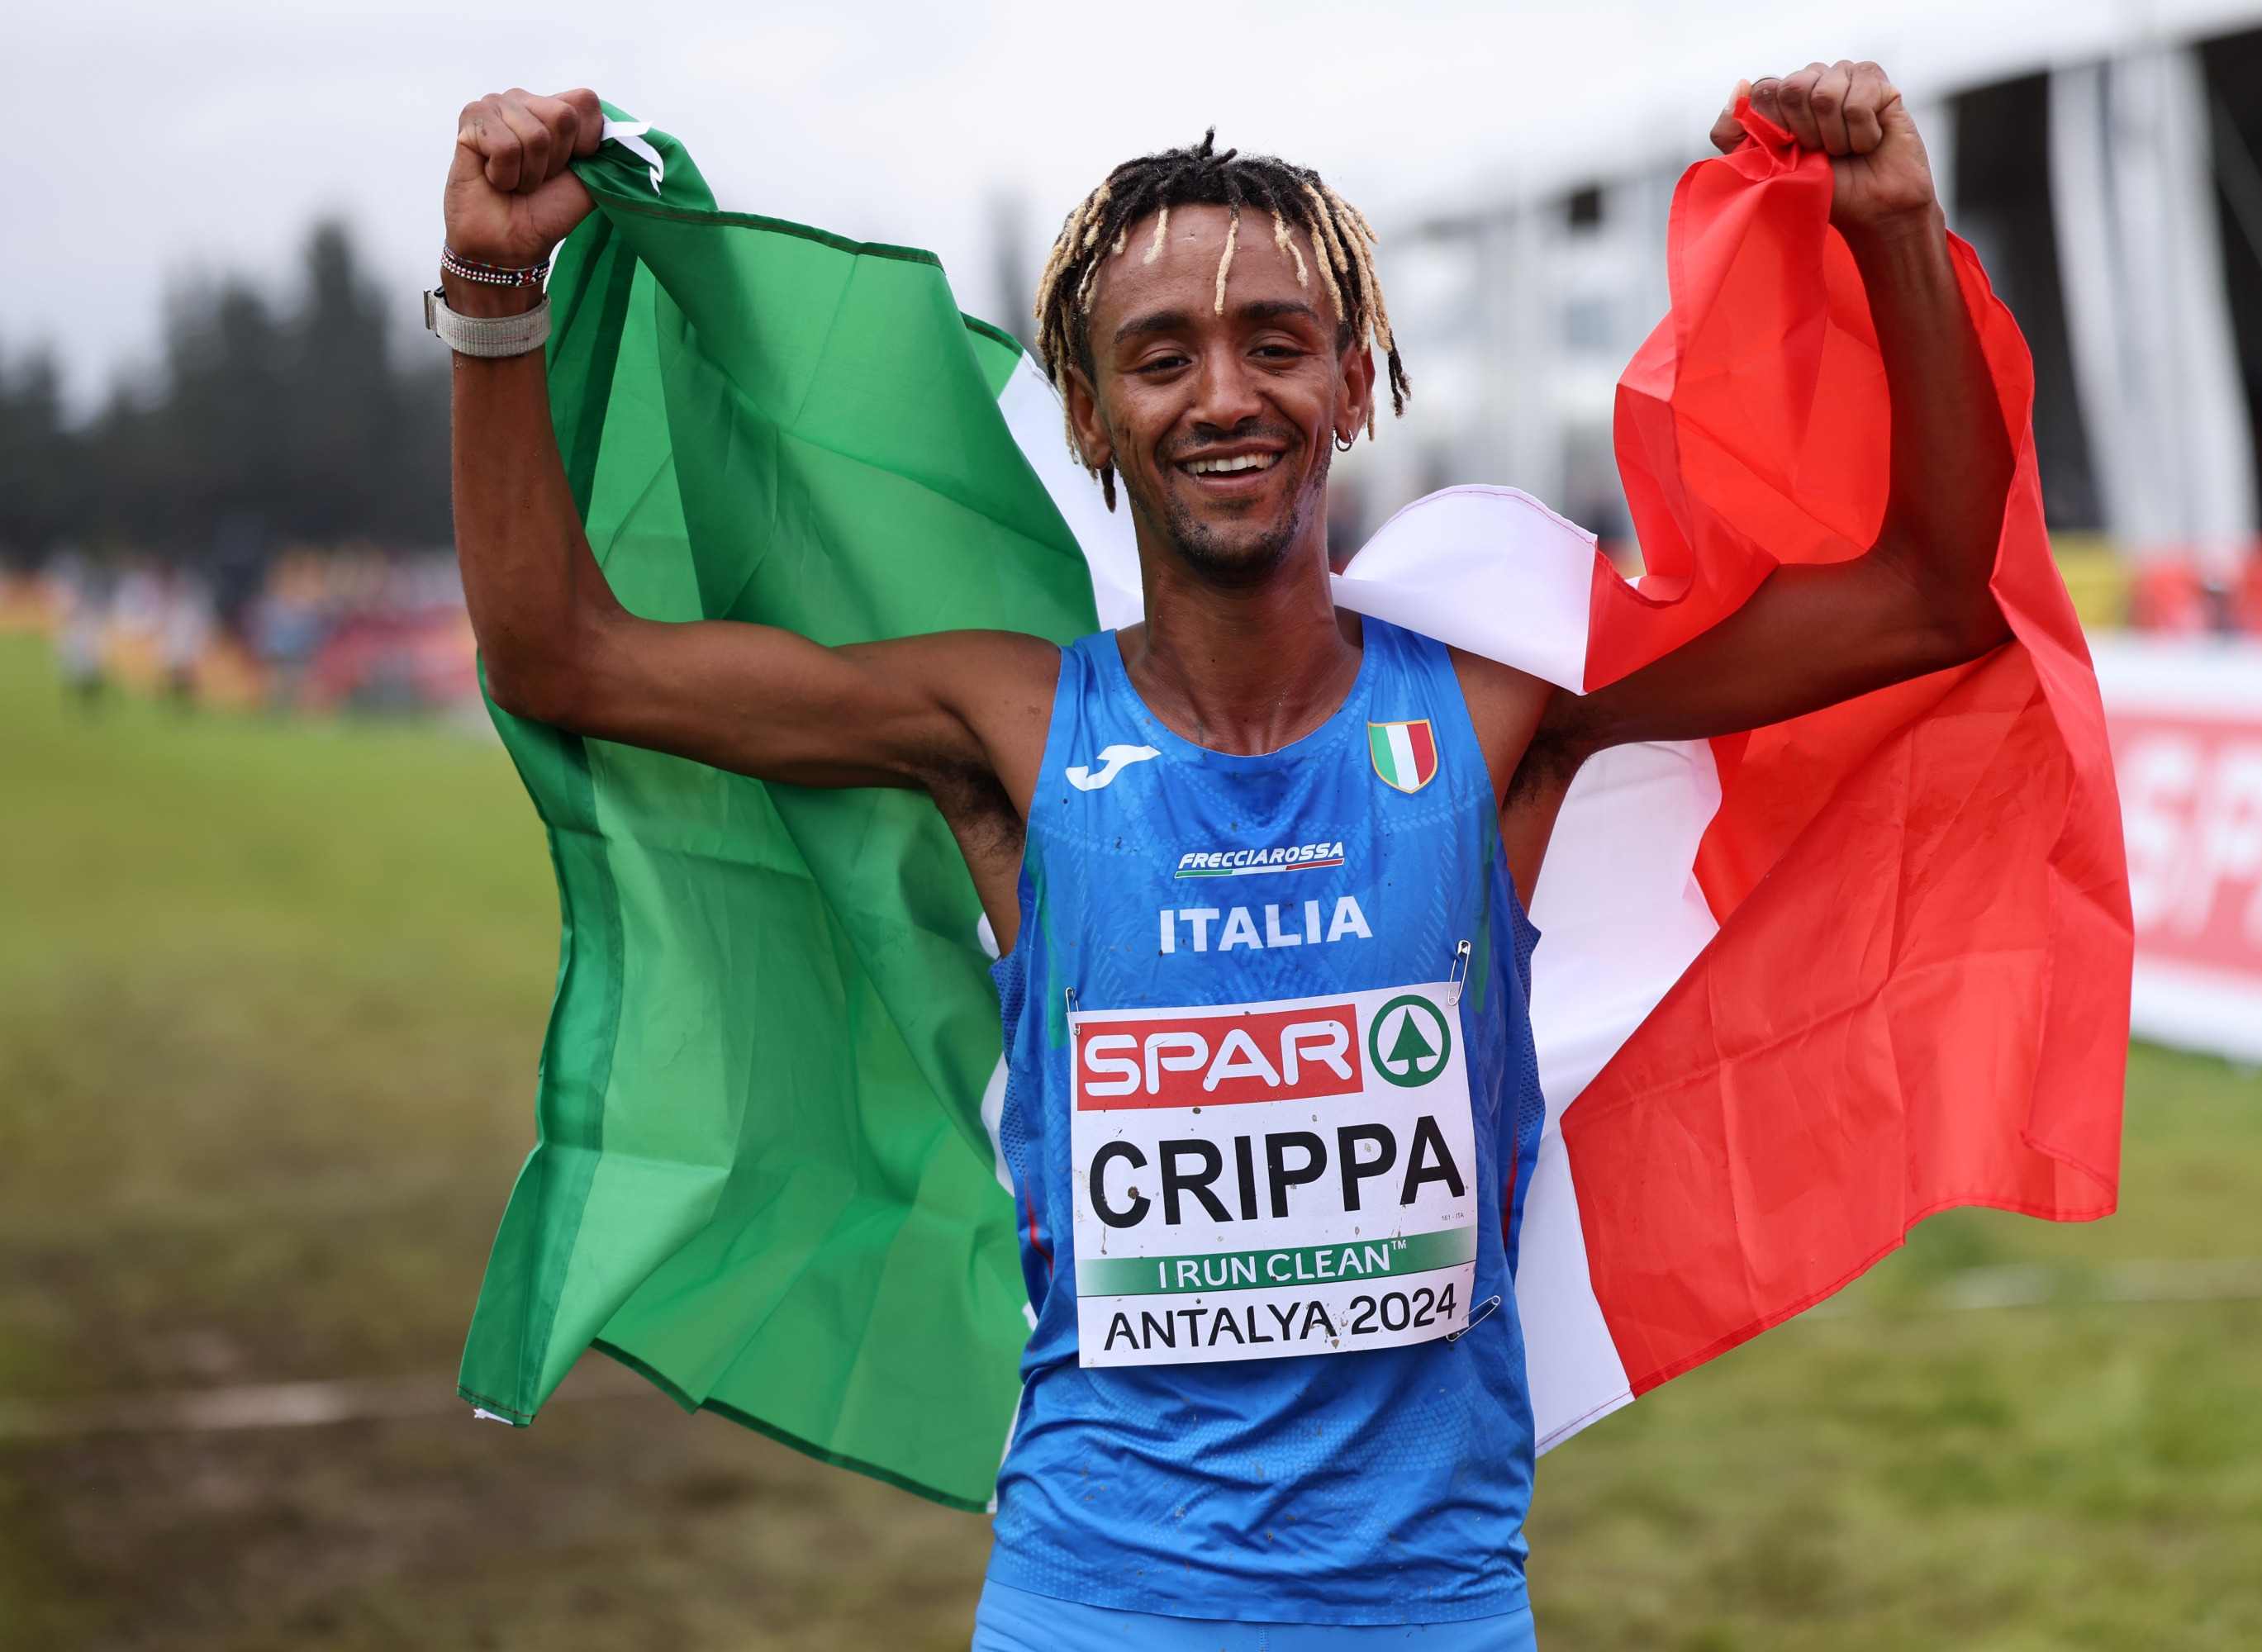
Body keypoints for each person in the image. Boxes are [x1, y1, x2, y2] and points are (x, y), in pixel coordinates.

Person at [439, 61, 2013, 1651]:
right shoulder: (1003, 724)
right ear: (1092, 411)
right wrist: (494, 293)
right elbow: (564, 657)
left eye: (1276, 344)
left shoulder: (1498, 709)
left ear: (1354, 379)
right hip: (1093, 1605)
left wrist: (1891, 225)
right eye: (1160, 356)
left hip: (1432, 1614)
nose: (1222, 397)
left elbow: (1932, 596)